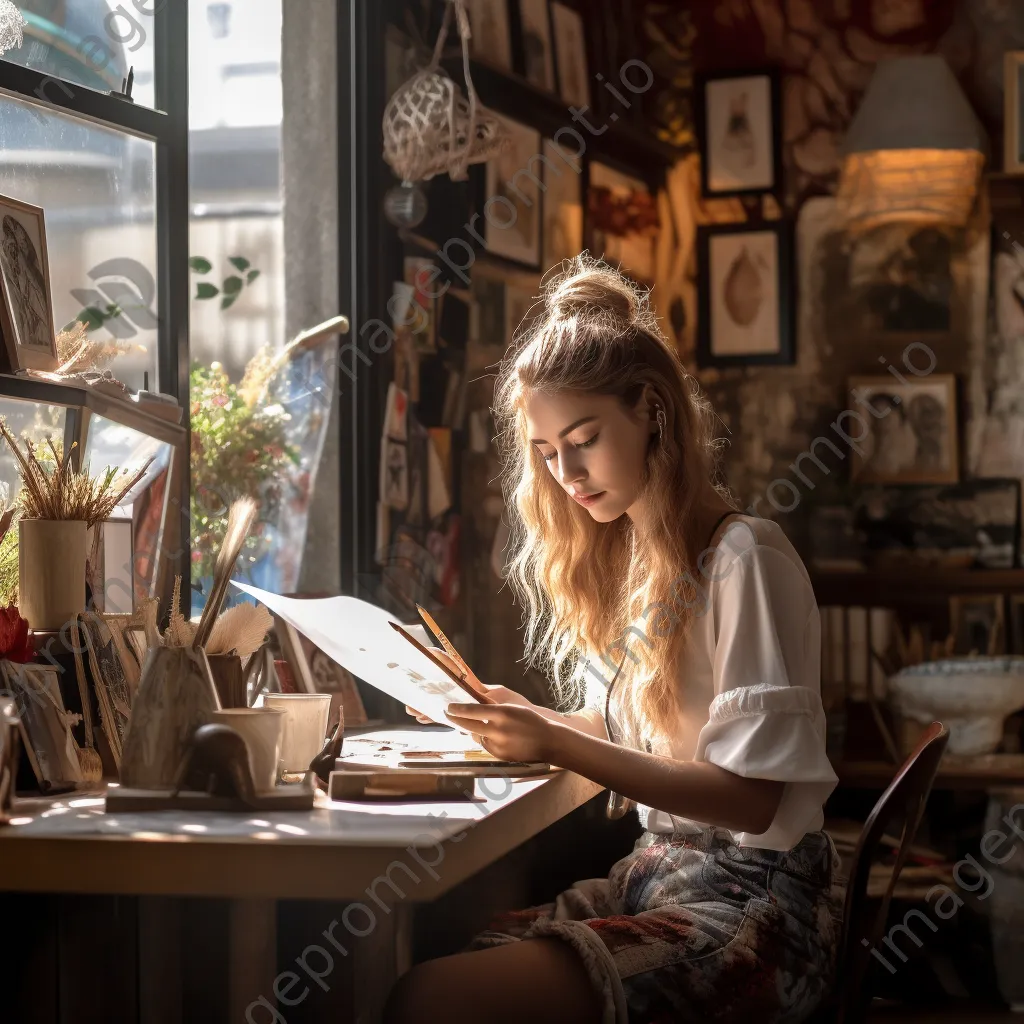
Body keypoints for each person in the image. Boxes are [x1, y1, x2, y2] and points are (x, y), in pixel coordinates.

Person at [385, 256, 842, 1024]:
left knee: (432, 996)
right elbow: (662, 735)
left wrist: (560, 746)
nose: (565, 472)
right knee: (450, 947)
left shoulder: (744, 558)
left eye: (584, 439)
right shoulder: (638, 564)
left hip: (755, 914)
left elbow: (753, 798)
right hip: (657, 877)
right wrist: (535, 721)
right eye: (545, 452)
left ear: (653, 414)